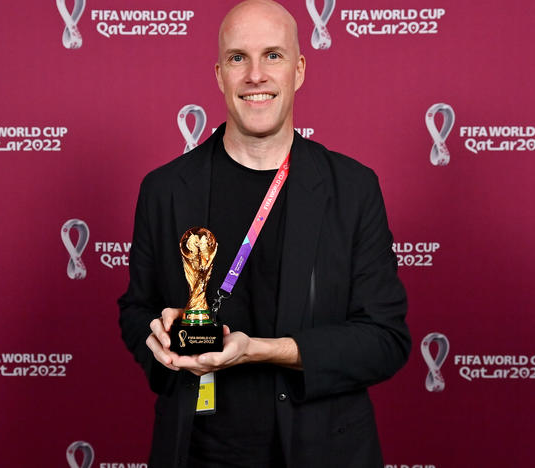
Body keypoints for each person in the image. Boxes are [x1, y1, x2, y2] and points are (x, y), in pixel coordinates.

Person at [118, 1, 410, 467]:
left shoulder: (353, 189)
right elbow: (136, 310)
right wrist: (160, 339)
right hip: (198, 453)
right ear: (219, 75)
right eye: (238, 58)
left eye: (272, 55)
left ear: (298, 70)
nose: (255, 74)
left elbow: (385, 340)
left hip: (324, 452)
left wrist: (260, 351)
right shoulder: (165, 189)